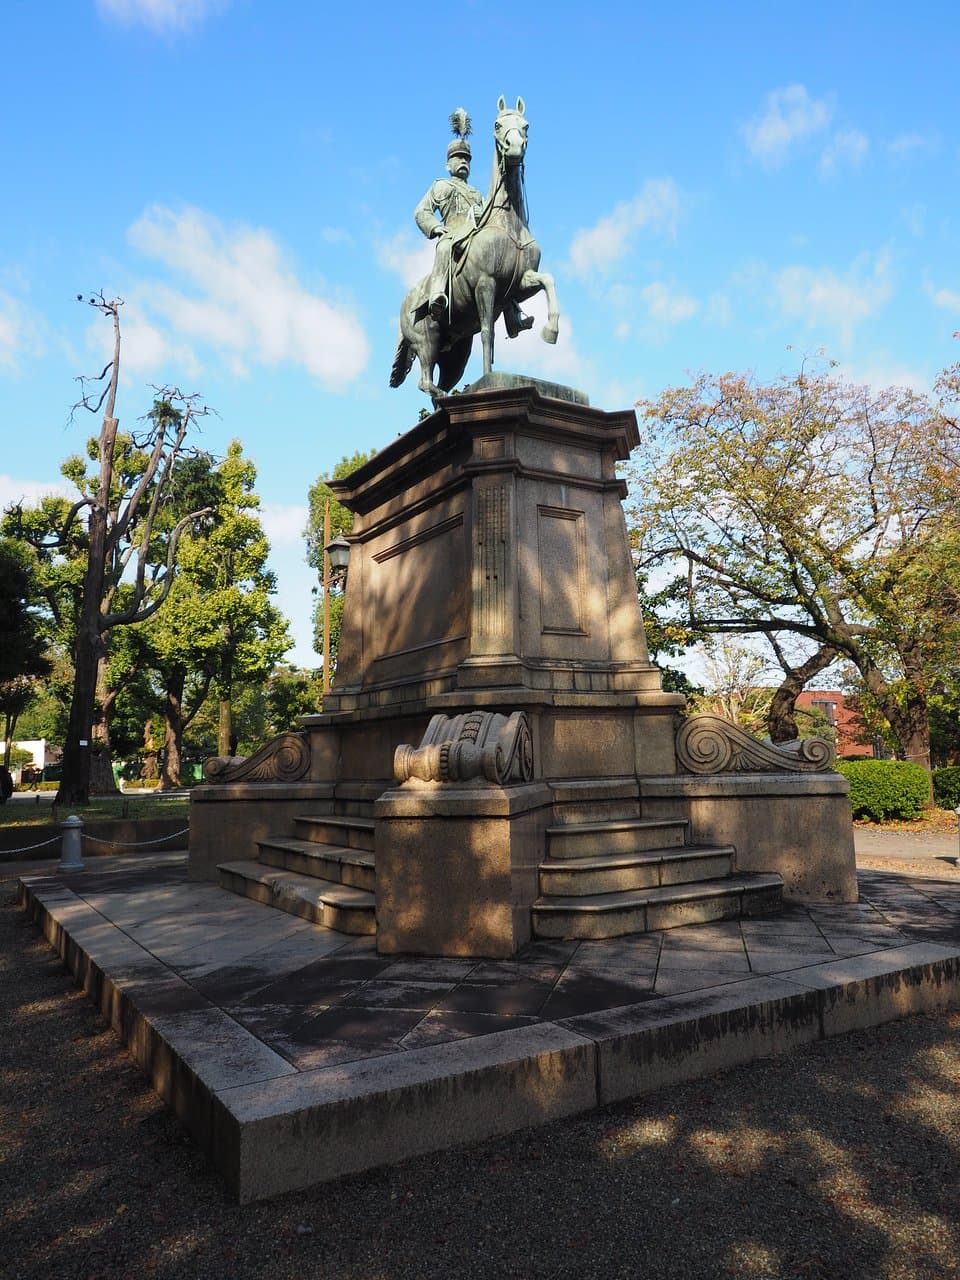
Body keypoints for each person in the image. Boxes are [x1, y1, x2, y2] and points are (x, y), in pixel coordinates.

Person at [414, 122, 533, 336]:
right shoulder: (441, 185)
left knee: (499, 264)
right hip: (453, 234)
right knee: (444, 248)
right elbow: (421, 212)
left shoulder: (476, 194)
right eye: (458, 158)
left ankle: (512, 316)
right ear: (448, 164)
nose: (463, 162)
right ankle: (438, 294)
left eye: (466, 159)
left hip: (474, 234)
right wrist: (436, 227)